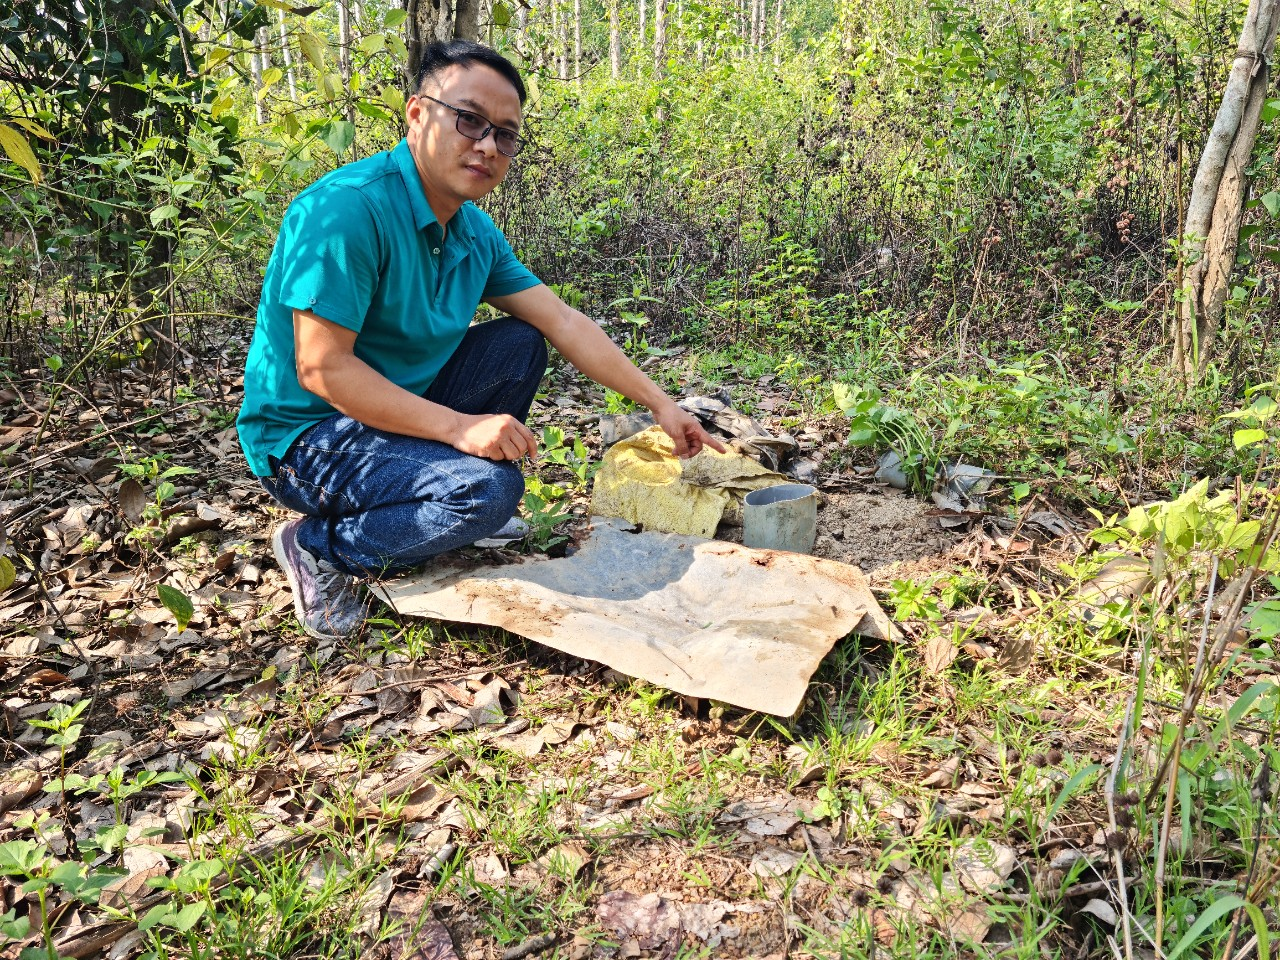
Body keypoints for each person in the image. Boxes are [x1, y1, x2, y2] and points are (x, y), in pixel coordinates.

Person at [237, 39, 723, 641]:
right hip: (307, 438)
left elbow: (564, 321)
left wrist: (660, 404)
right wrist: (460, 429)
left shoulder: (471, 230)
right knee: (489, 492)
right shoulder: (346, 211)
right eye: (469, 120)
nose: (487, 145)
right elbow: (324, 371)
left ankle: (435, 495)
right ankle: (319, 546)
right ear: (418, 114)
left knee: (522, 341)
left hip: (396, 403)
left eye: (505, 134)